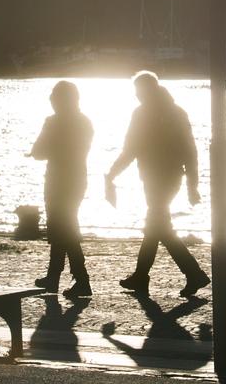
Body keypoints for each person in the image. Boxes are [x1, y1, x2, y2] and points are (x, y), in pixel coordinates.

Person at [104, 71, 210, 297]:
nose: (137, 96)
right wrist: (112, 173)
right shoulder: (171, 112)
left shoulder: (155, 114)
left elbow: (132, 149)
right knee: (156, 228)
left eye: (139, 91)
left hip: (165, 178)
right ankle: (145, 277)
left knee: (157, 226)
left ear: (150, 89)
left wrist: (193, 185)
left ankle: (191, 273)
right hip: (158, 178)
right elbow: (188, 151)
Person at [29, 80, 94, 298]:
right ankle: (55, 277)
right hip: (77, 179)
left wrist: (47, 149)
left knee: (63, 229)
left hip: (57, 180)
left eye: (54, 98)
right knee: (64, 228)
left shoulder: (53, 122)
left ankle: (80, 279)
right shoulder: (85, 122)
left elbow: (38, 151)